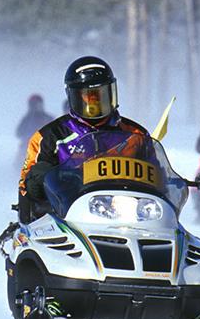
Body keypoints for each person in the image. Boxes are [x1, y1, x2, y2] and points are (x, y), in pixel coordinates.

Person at [18, 56, 150, 223]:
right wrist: (38, 181)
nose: (95, 104)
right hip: (68, 217)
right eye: (88, 97)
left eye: (101, 95)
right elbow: (26, 186)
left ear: (112, 93)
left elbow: (158, 176)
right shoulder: (49, 137)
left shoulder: (136, 135)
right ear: (73, 97)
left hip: (128, 215)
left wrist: (175, 184)